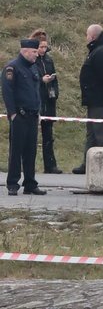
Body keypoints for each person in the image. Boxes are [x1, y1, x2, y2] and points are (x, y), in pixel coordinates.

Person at [73, 24, 103, 174]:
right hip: (94, 99)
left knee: (102, 133)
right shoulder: (98, 50)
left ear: (93, 36)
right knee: (92, 134)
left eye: (87, 35)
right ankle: (88, 163)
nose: (86, 38)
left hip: (100, 99)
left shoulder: (100, 52)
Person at [2, 38, 45, 195]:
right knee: (16, 151)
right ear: (25, 51)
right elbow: (7, 92)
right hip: (19, 116)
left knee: (30, 151)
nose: (36, 55)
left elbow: (35, 91)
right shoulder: (12, 68)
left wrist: (38, 111)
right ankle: (13, 183)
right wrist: (12, 113)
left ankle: (30, 183)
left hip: (32, 116)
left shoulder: (33, 68)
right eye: (34, 52)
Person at [29, 29, 61, 174]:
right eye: (41, 47)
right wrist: (42, 81)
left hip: (49, 100)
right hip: (36, 99)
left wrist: (55, 92)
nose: (43, 49)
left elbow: (56, 80)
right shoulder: (31, 60)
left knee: (48, 135)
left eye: (45, 47)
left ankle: (50, 165)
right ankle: (29, 165)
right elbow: (29, 79)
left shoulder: (48, 59)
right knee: (31, 134)